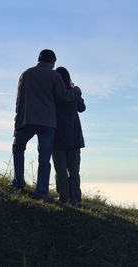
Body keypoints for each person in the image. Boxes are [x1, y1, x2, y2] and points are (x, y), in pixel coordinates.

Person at [12, 49, 75, 200]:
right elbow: (62, 97)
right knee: (44, 158)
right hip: (47, 122)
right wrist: (76, 92)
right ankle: (41, 192)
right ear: (53, 61)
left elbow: (19, 99)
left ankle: (19, 182)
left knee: (18, 148)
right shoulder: (54, 76)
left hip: (27, 119)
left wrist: (17, 122)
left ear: (39, 59)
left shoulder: (26, 74)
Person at [52, 67, 85, 205]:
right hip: (74, 136)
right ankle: (76, 199)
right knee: (74, 170)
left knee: (61, 170)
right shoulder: (74, 92)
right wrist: (76, 91)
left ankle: (64, 197)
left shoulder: (53, 93)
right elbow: (82, 108)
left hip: (57, 135)